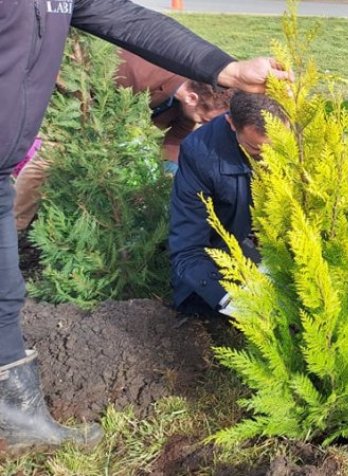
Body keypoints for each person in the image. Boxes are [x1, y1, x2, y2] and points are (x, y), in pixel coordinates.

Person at [0, 0, 290, 454]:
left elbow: (125, 17)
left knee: (6, 292)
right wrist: (234, 300)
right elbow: (189, 247)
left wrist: (227, 68)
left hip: (2, 165)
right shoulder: (142, 91)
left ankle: (15, 416)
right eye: (257, 152)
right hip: (32, 151)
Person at [12, 50, 235, 234]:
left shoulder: (190, 106)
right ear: (192, 98)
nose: (205, 124)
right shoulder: (133, 72)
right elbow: (85, 96)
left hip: (120, 128)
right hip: (83, 105)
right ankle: (15, 226)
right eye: (205, 119)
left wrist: (171, 171)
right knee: (51, 159)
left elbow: (176, 137)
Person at [169, 92, 285, 316]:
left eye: (280, 146)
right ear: (231, 123)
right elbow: (187, 249)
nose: (272, 157)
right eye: (258, 150)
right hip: (229, 250)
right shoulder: (201, 155)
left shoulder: (308, 132)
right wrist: (229, 298)